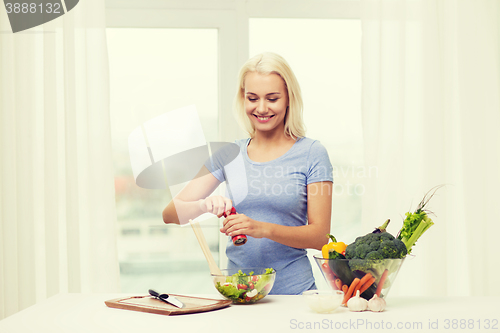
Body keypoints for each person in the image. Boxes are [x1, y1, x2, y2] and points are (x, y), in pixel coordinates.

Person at [162, 52, 333, 294]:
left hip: (294, 294)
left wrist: (261, 228)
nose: (261, 108)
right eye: (252, 98)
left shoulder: (312, 153)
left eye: (272, 98)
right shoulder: (229, 154)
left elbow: (320, 236)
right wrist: (204, 205)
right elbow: (170, 213)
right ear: (243, 99)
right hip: (239, 294)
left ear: (288, 100)